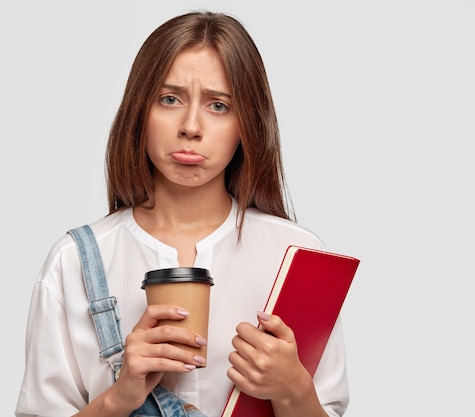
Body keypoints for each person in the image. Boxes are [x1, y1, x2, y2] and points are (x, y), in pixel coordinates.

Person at [16, 10, 349, 417]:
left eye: (219, 105)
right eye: (169, 99)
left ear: (248, 124)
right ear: (140, 111)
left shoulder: (296, 255)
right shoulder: (73, 262)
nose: (191, 126)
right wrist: (119, 397)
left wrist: (294, 390)